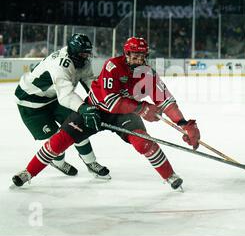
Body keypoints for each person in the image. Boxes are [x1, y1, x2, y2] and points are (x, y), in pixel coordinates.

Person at [12, 37, 200, 190]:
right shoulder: (112, 65)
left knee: (144, 142)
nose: (138, 60)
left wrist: (183, 123)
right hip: (96, 109)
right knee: (59, 140)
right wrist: (141, 108)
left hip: (124, 114)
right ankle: (29, 172)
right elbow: (110, 101)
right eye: (134, 56)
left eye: (141, 57)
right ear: (126, 54)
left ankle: (170, 176)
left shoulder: (148, 73)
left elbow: (166, 100)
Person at [14, 33, 110, 178]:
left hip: (52, 97)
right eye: (83, 53)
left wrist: (103, 99)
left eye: (87, 53)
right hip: (30, 103)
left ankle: (91, 163)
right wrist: (84, 107)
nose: (86, 57)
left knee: (77, 126)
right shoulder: (60, 64)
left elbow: (89, 81)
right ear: (74, 51)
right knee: (56, 139)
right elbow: (66, 96)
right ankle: (58, 163)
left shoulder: (81, 60)